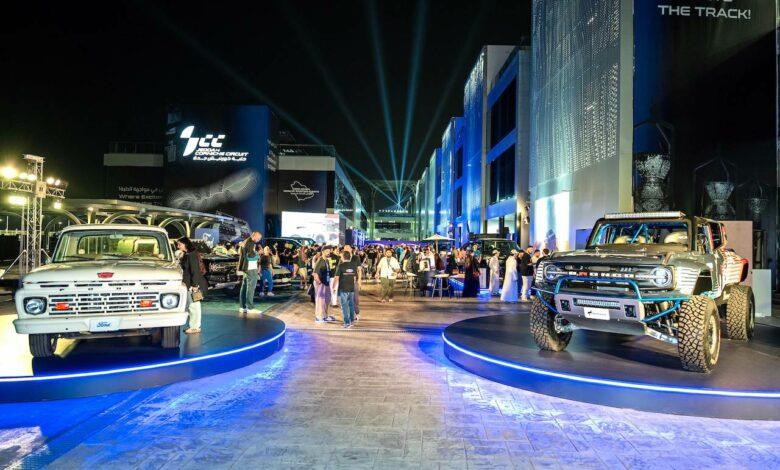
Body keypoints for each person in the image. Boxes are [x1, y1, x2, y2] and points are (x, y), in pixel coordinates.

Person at [177, 237, 209, 334]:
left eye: (179, 244)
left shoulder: (191, 255)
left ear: (185, 244)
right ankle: (193, 325)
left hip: (193, 285)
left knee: (194, 306)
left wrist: (195, 286)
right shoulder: (187, 254)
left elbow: (195, 271)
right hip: (189, 284)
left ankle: (195, 327)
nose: (178, 246)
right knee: (191, 305)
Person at [237, 231, 262, 314]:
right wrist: (258, 254)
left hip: (246, 268)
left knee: (244, 287)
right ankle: (250, 307)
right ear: (254, 236)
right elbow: (250, 255)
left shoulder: (246, 241)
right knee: (250, 287)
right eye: (258, 238)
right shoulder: (250, 242)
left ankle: (242, 306)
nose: (259, 239)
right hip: (251, 268)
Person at [333, 250, 359, 328]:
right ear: (349, 257)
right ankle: (351, 321)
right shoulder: (353, 265)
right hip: (351, 288)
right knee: (351, 305)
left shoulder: (340, 266)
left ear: (343, 257)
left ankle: (347, 323)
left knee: (344, 306)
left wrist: (334, 287)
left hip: (343, 288)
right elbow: (355, 277)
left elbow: (336, 277)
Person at [313, 246, 336, 323]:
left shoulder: (326, 260)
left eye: (329, 251)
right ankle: (318, 317)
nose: (328, 253)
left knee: (326, 300)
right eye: (327, 251)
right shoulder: (320, 261)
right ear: (322, 252)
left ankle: (325, 316)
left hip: (326, 283)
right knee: (320, 300)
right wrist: (319, 283)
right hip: (321, 283)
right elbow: (315, 273)